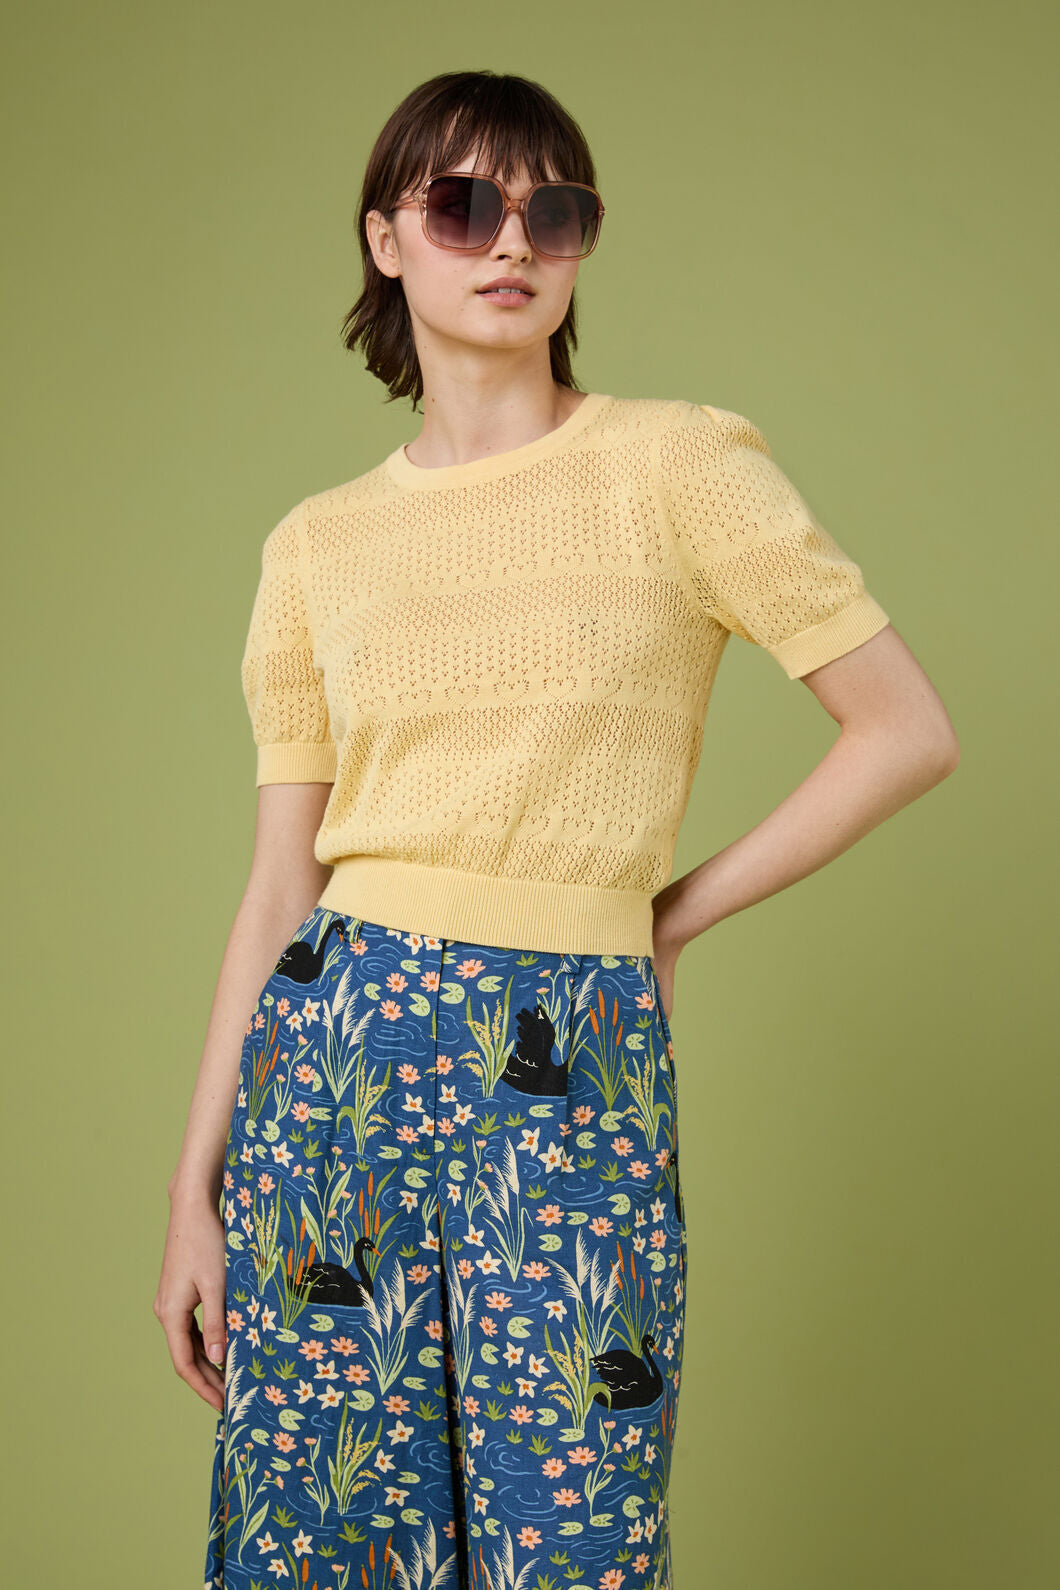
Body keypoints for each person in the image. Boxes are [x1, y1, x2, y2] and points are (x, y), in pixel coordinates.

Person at [156, 69, 959, 1590]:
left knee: (574, 1532)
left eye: (555, 210)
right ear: (386, 239)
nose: (513, 240)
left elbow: (906, 729)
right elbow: (277, 889)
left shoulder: (677, 466)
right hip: (336, 1055)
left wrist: (670, 915)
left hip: (573, 1042)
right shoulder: (317, 545)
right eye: (464, 206)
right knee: (325, 1535)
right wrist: (191, 1193)